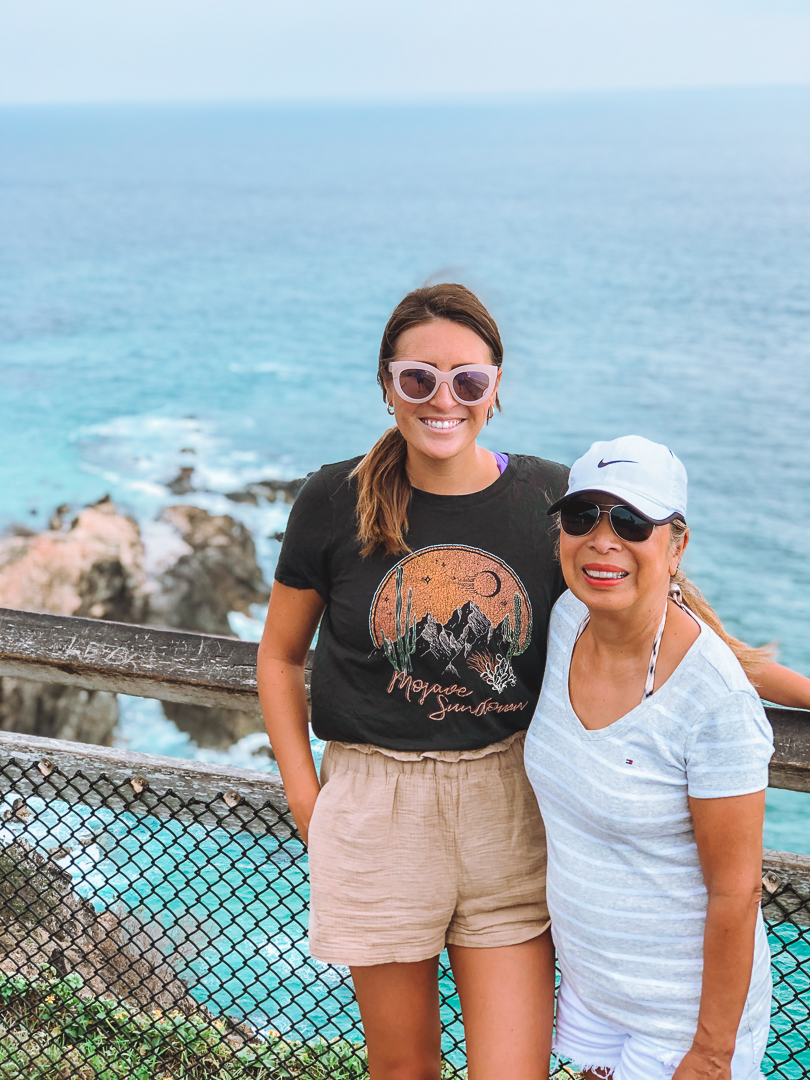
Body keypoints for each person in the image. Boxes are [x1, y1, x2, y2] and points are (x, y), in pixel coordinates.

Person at [257, 285, 808, 1080]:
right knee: (401, 1068)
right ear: (387, 385)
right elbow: (278, 657)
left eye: (468, 381)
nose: (443, 399)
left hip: (508, 806)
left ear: (497, 388)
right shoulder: (333, 501)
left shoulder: (553, 504)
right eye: (418, 378)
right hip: (375, 805)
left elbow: (684, 633)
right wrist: (310, 802)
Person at [524, 435, 777, 1080]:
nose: (603, 540)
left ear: (677, 544)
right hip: (589, 997)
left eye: (633, 522)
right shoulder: (563, 621)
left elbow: (736, 890)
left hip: (681, 1023)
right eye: (584, 517)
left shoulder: (713, 700)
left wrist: (712, 1052)